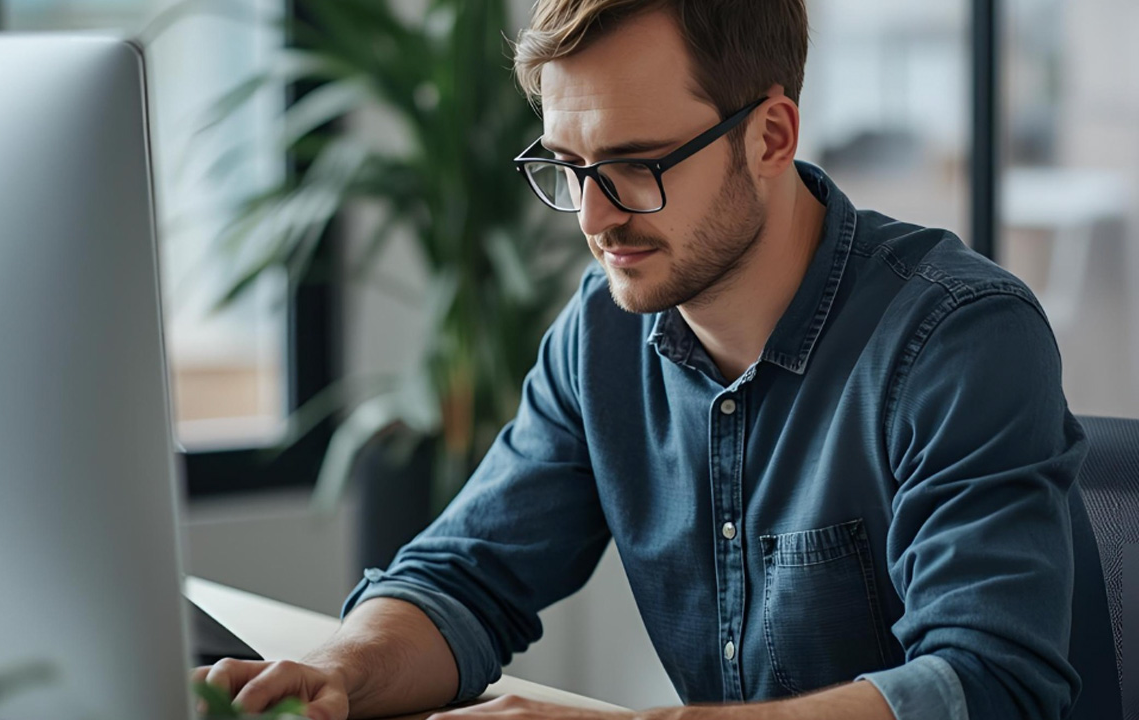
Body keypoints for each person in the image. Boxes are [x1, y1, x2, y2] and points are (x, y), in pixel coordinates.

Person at [194, 2, 1090, 719]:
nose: (591, 218)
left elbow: (991, 685)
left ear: (771, 136)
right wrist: (341, 672)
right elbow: (463, 576)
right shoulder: (604, 335)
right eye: (566, 166)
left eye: (633, 165)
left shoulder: (960, 338)